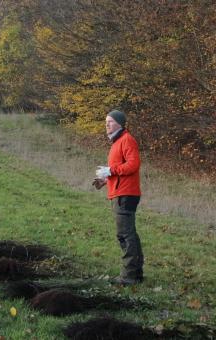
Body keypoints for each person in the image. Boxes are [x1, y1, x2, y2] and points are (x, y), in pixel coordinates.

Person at [93, 109, 144, 286]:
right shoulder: (116, 142)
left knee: (124, 235)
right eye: (106, 121)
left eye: (111, 121)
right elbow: (122, 171)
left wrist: (111, 170)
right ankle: (136, 273)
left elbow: (133, 165)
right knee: (130, 234)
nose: (107, 124)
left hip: (126, 194)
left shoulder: (127, 140)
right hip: (121, 192)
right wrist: (105, 179)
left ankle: (128, 277)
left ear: (120, 124)